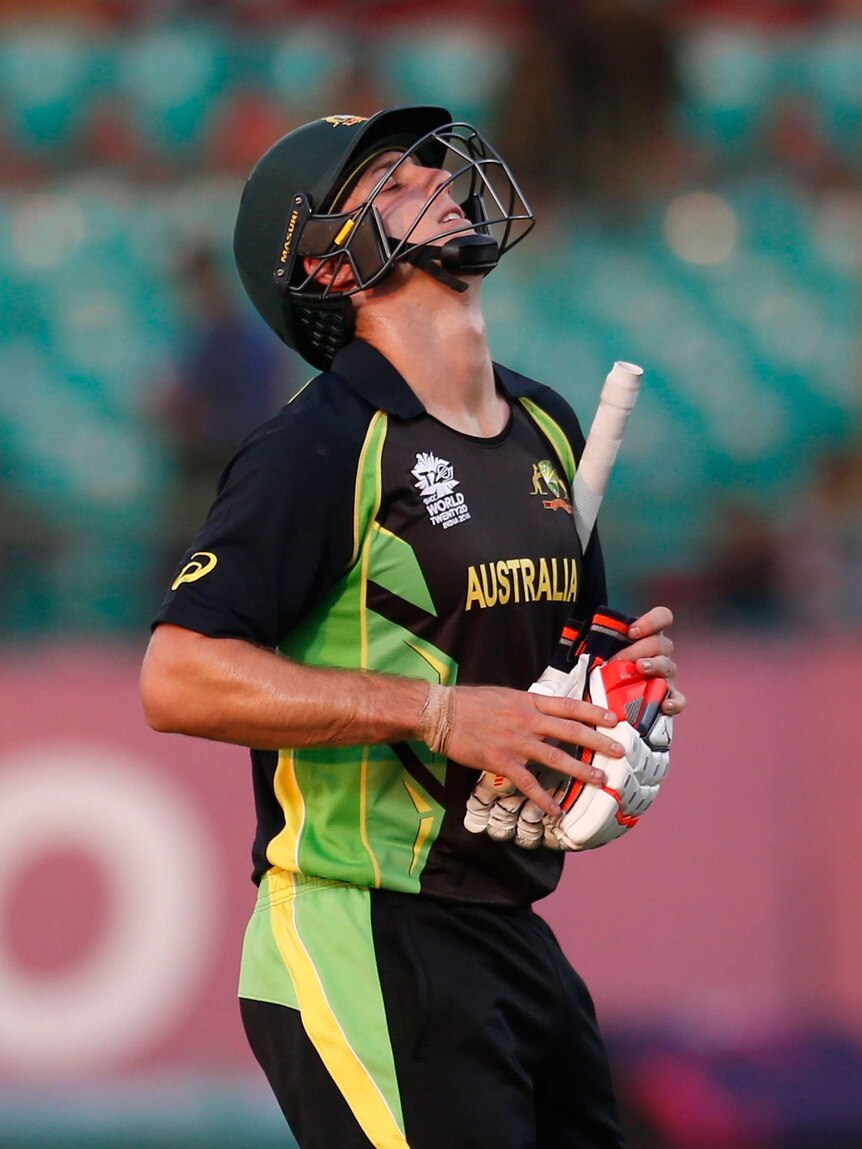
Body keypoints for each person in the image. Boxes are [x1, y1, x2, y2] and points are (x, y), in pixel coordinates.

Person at [140, 105, 685, 1149]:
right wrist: (436, 714)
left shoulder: (546, 426)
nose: (438, 177)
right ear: (330, 268)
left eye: (432, 162)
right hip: (361, 927)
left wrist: (614, 689)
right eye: (389, 179)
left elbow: (555, 674)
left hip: (509, 933)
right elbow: (175, 677)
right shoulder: (318, 445)